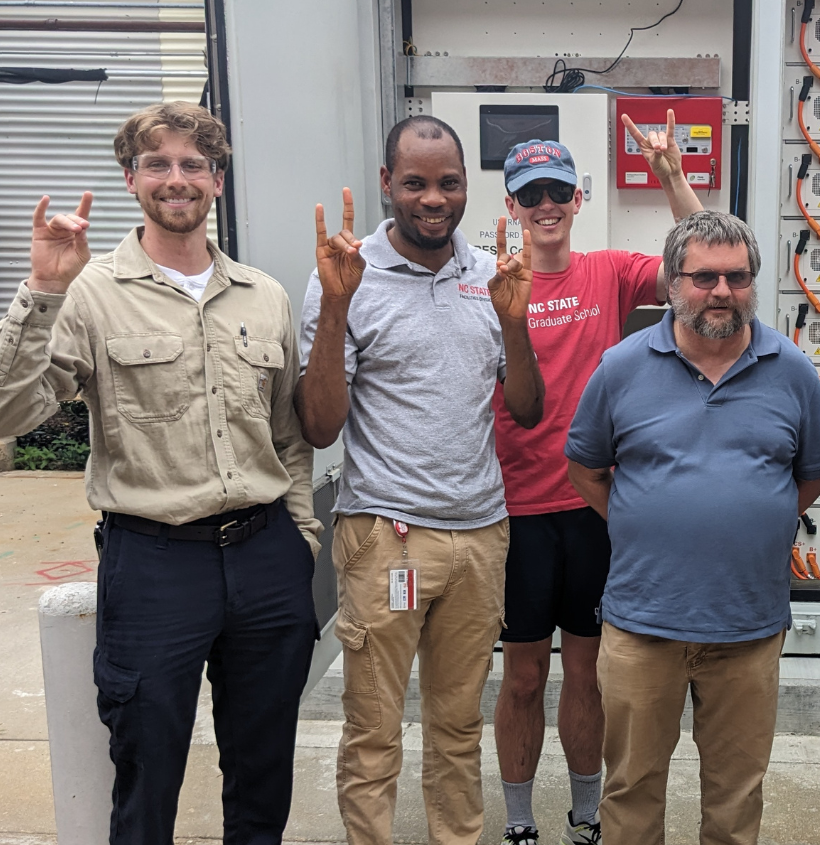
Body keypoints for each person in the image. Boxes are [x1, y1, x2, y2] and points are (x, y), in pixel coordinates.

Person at [0, 102, 319, 844]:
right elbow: (11, 413)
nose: (176, 179)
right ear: (130, 178)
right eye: (157, 163)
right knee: (146, 766)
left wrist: (300, 534)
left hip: (266, 554)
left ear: (216, 178)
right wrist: (41, 291)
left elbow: (288, 434)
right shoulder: (88, 292)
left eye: (193, 164)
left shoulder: (262, 295)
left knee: (264, 766)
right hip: (154, 562)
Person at [296, 115, 544, 845]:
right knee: (373, 732)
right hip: (384, 538)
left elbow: (527, 410)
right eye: (415, 183)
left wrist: (515, 323)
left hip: (479, 536)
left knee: (457, 726)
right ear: (386, 184)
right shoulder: (344, 273)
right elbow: (319, 425)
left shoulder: (489, 273)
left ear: (467, 186)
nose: (433, 198)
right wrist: (338, 305)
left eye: (448, 183)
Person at [564, 210, 820, 845]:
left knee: (736, 797)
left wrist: (750, 519)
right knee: (630, 790)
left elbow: (809, 477)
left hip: (747, 627)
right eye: (704, 277)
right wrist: (641, 518)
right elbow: (586, 469)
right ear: (671, 281)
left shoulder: (791, 370)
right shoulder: (622, 368)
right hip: (641, 627)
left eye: (737, 278)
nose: (721, 292)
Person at [490, 114, 703, 845]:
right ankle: (520, 822)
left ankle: (586, 817)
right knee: (522, 678)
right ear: (512, 205)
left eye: (557, 191)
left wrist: (672, 175)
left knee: (587, 673)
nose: (546, 205)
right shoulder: (487, 281)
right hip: (512, 511)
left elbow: (700, 261)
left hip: (591, 507)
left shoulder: (608, 271)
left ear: (578, 198)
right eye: (531, 194)